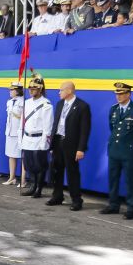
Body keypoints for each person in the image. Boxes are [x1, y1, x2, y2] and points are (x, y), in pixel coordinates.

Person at [100, 82, 133, 219]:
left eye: (122, 93)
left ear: (129, 94)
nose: (119, 96)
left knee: (130, 180)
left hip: (129, 152)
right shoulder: (113, 109)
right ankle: (113, 205)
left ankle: (131, 208)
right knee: (113, 179)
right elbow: (113, 128)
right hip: (114, 150)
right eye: (117, 93)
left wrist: (132, 145)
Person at [46, 81, 91, 210]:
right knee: (56, 171)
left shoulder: (82, 106)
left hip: (72, 144)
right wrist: (52, 144)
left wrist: (81, 148)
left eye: (61, 90)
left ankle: (76, 200)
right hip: (58, 141)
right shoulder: (60, 104)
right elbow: (56, 124)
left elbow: (84, 130)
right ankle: (57, 196)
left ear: (69, 91)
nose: (59, 92)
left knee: (72, 173)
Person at [20, 74, 53, 198]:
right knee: (28, 164)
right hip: (27, 138)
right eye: (30, 88)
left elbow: (48, 126)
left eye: (34, 88)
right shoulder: (26, 103)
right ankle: (32, 185)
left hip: (39, 138)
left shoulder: (46, 104)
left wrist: (44, 143)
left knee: (39, 165)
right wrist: (21, 139)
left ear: (40, 89)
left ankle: (38, 188)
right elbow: (22, 123)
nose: (31, 90)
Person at [3, 82, 24, 186]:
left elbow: (24, 117)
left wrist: (14, 113)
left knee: (22, 156)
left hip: (19, 132)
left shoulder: (24, 102)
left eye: (12, 90)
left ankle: (23, 180)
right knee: (11, 155)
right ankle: (12, 178)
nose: (10, 92)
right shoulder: (9, 102)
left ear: (17, 90)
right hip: (10, 132)